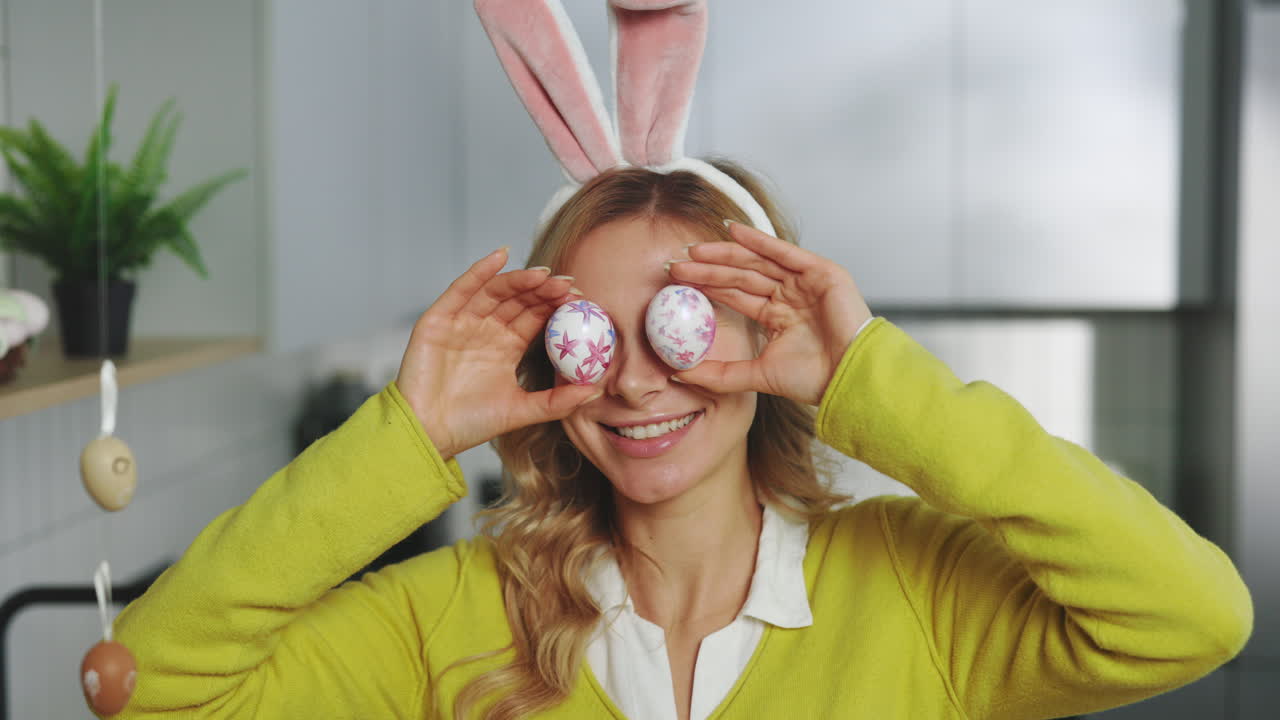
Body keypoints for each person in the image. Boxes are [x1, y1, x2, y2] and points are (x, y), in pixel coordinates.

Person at [105, 159, 1251, 720]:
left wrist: (872, 379)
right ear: (551, 363)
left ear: (767, 336)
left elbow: (1194, 615)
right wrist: (409, 437)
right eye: (591, 337)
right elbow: (144, 685)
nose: (635, 380)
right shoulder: (452, 618)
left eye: (678, 323)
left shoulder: (914, 592)